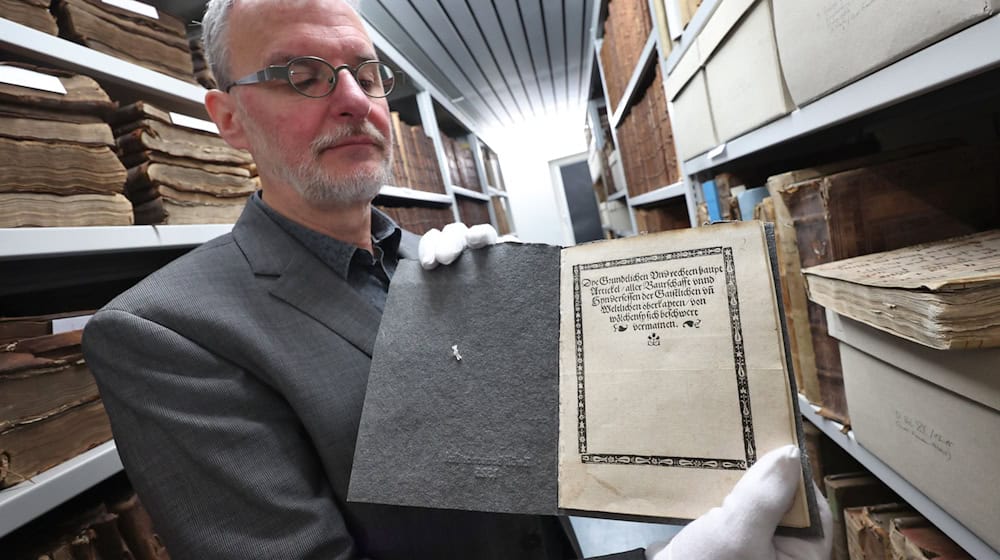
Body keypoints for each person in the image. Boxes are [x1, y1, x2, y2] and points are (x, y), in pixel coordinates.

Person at [81, 0, 832, 558]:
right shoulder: (164, 332)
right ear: (230, 118)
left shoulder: (433, 264)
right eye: (301, 76)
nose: (351, 100)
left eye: (365, 74)